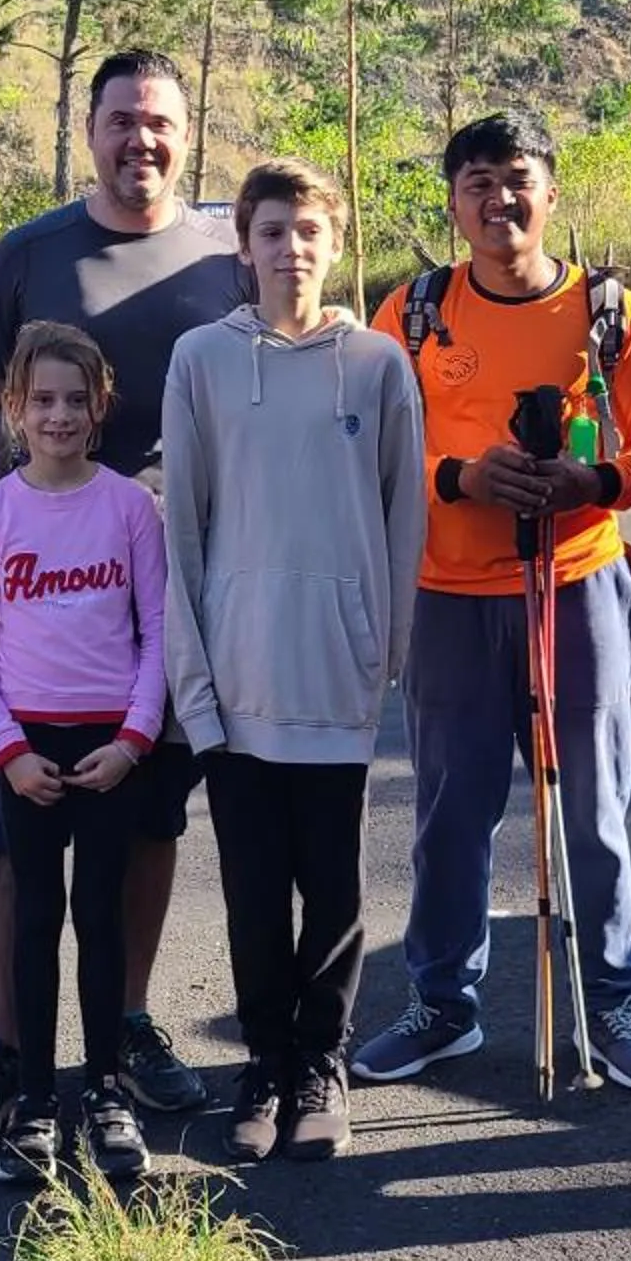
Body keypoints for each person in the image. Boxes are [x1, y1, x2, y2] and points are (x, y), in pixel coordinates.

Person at [0, 50, 241, 1148]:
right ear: (90, 131)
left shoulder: (225, 255)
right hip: (54, 598)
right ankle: (5, 1044)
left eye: (158, 121)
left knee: (149, 814)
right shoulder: (29, 253)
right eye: (119, 121)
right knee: (18, 832)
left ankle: (125, 1024)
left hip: (182, 587)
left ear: (185, 130)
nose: (139, 140)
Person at [351, 111, 631, 1093]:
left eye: (518, 178)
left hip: (575, 582)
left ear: (552, 190)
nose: (501, 199)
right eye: (479, 181)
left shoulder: (612, 312)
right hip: (450, 592)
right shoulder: (409, 312)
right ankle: (443, 1006)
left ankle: (609, 1006)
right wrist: (459, 477)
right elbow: (369, 444)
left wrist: (592, 483)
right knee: (453, 809)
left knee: (595, 804)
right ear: (453, 203)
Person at [161, 160, 423, 1164]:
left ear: (335, 244)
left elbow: (406, 519)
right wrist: (195, 677)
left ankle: (324, 1063)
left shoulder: (377, 365)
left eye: (309, 231)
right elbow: (183, 526)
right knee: (252, 888)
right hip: (239, 672)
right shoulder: (202, 361)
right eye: (272, 231)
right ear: (245, 245)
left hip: (337, 673)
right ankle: (265, 1064)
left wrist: (383, 651)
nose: (291, 249)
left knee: (337, 887)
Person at [0, 324, 170, 1186]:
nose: (58, 415)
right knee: (35, 920)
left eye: (75, 400)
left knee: (101, 922)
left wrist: (134, 740)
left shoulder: (128, 507)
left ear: (98, 407)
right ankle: (37, 1101)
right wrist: (7, 751)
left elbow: (158, 636)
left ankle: (107, 1092)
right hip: (28, 753)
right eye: (41, 400)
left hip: (110, 749)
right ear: (14, 407)